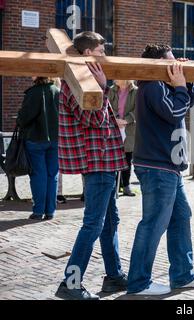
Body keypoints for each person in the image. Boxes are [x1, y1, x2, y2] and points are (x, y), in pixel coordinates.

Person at [127, 44, 194, 296]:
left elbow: (184, 104)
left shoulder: (162, 85)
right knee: (153, 224)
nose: (176, 65)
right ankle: (139, 282)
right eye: (171, 62)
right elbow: (176, 111)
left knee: (180, 217)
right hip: (157, 166)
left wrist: (186, 82)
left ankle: (183, 275)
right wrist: (181, 86)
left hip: (168, 166)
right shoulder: (152, 85)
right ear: (158, 64)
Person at [55, 31, 128, 300]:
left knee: (110, 221)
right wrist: (104, 86)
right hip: (97, 161)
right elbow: (94, 120)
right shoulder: (79, 83)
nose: (104, 56)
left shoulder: (87, 81)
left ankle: (114, 276)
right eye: (101, 51)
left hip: (105, 160)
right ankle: (70, 283)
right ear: (88, 54)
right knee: (94, 224)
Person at [17, 77, 60, 220]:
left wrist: (19, 117)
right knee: (52, 175)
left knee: (38, 175)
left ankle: (38, 210)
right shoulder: (57, 91)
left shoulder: (33, 93)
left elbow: (24, 118)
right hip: (55, 139)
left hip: (35, 139)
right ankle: (50, 211)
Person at [108, 80, 138, 196]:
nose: (115, 79)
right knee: (114, 158)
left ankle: (126, 186)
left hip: (129, 128)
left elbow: (137, 109)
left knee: (127, 159)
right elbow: (107, 105)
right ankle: (114, 187)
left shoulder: (135, 91)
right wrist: (115, 119)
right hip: (114, 127)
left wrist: (126, 120)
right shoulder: (111, 90)